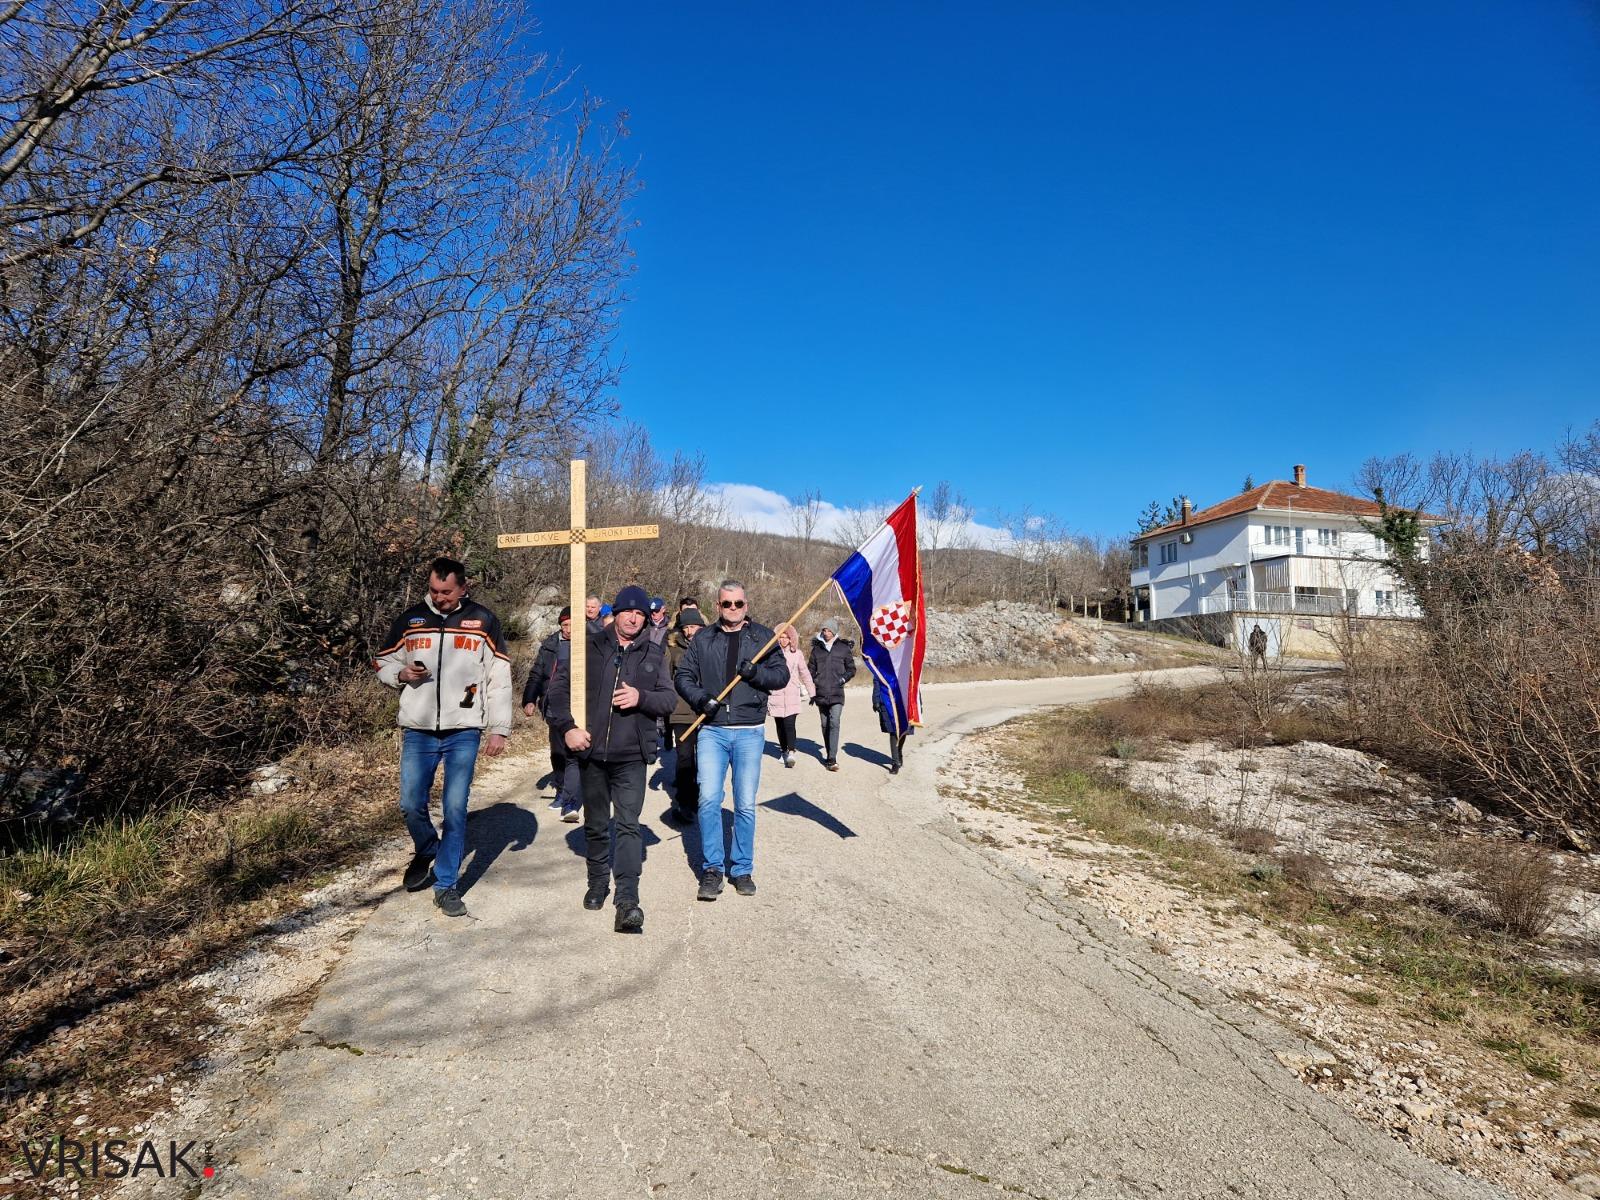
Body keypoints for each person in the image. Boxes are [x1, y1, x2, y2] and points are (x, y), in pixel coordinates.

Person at [372, 557, 512, 918]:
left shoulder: (483, 620)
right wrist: (400, 673)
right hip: (418, 730)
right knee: (409, 803)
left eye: (447, 592)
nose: (439, 598)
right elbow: (382, 662)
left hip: (463, 729)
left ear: (463, 587)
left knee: (454, 808)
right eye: (434, 590)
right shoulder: (411, 619)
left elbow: (498, 677)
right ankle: (426, 848)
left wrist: (499, 728)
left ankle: (446, 885)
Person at [544, 585, 678, 932]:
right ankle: (598, 881)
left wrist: (641, 697)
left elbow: (668, 700)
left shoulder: (653, 653)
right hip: (590, 753)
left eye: (640, 614)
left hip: (632, 755)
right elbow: (556, 692)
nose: (633, 618)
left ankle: (628, 899)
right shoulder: (587, 648)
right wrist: (568, 728)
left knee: (629, 824)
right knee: (597, 824)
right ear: (615, 614)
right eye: (627, 612)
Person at [673, 579, 788, 901]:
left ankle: (741, 869)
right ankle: (712, 869)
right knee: (709, 799)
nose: (733, 609)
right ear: (718, 606)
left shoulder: (764, 638)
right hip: (712, 730)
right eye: (727, 604)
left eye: (738, 603)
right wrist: (700, 699)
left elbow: (781, 677)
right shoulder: (704, 638)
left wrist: (757, 675)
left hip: (750, 732)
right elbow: (683, 677)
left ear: (746, 605)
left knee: (745, 804)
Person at [521, 606, 581, 822]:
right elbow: (537, 673)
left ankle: (573, 797)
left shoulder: (589, 643)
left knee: (575, 750)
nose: (568, 630)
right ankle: (561, 790)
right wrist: (529, 699)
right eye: (564, 625)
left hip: (580, 703)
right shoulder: (550, 645)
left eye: (572, 625)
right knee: (558, 751)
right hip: (553, 703)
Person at [664, 606, 708, 821]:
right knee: (684, 758)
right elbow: (665, 680)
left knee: (706, 758)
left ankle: (703, 798)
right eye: (687, 627)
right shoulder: (672, 650)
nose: (690, 631)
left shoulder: (711, 646)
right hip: (681, 711)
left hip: (708, 712)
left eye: (694, 627)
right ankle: (685, 802)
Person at [807, 617, 856, 772]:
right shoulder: (817, 649)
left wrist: (843, 679)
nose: (826, 632)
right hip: (821, 692)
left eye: (828, 630)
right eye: (824, 630)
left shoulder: (843, 648)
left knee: (834, 722)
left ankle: (832, 758)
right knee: (824, 725)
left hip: (837, 692)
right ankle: (829, 752)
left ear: (834, 631)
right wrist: (814, 680)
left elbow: (851, 669)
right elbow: (810, 669)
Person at [767, 624, 815, 768]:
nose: (783, 640)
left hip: (791, 694)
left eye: (786, 637)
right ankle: (783, 750)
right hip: (775, 694)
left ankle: (792, 751)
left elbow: (804, 673)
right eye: (780, 637)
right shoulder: (772, 654)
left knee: (789, 724)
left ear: (791, 638)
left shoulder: (797, 654)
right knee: (780, 725)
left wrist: (812, 692)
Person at [872, 676, 913, 774]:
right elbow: (877, 679)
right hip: (887, 699)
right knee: (893, 731)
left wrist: (917, 703)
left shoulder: (906, 662)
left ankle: (898, 751)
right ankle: (895, 762)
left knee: (904, 730)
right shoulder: (883, 662)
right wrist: (876, 699)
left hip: (904, 699)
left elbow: (914, 681)